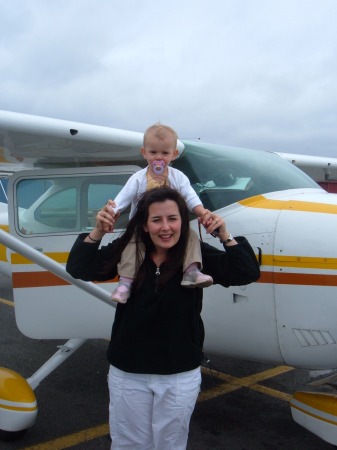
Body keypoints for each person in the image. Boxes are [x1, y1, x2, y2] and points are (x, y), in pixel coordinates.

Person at [66, 187, 260, 450]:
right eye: (156, 220)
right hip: (129, 371)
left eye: (173, 218)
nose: (165, 227)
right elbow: (80, 268)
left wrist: (224, 234)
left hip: (179, 374)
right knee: (128, 443)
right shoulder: (128, 250)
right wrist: (97, 232)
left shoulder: (195, 254)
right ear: (145, 225)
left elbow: (245, 272)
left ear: (182, 220)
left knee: (170, 444)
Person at [105, 123, 213, 303]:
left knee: (191, 236)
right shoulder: (138, 178)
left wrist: (202, 212)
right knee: (131, 246)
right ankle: (125, 283)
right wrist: (112, 212)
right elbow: (122, 198)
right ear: (144, 152)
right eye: (153, 152)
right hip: (141, 226)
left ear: (174, 154)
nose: (159, 158)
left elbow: (190, 197)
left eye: (165, 153)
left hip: (169, 227)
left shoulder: (178, 177)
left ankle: (191, 271)